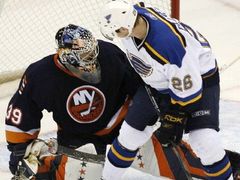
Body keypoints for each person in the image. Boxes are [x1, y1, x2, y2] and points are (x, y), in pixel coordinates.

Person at [99, 0, 234, 179]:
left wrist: (175, 118)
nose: (117, 35)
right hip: (158, 82)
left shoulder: (168, 47)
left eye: (117, 31)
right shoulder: (135, 17)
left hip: (199, 82)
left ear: (127, 24)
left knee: (205, 142)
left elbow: (189, 92)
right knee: (129, 136)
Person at [5, 24, 156, 179]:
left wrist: (150, 111)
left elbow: (139, 86)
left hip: (121, 128)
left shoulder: (109, 54)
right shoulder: (41, 75)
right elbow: (23, 109)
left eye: (92, 51)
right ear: (67, 56)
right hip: (76, 140)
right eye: (85, 55)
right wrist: (20, 148)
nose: (92, 58)